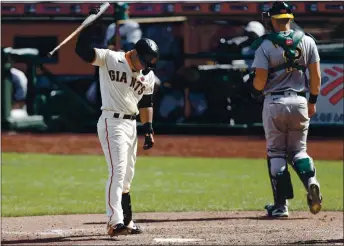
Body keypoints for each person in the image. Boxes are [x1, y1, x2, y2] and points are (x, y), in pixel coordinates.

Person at [75, 6, 159, 236]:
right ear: (135, 53)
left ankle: (128, 221)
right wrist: (88, 24)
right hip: (111, 122)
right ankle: (114, 221)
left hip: (131, 125)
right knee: (117, 171)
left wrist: (148, 129)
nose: (146, 68)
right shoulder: (110, 58)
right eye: (145, 62)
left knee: (127, 175)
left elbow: (146, 103)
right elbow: (82, 52)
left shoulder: (147, 75)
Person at [249, 1, 322, 218]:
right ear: (290, 18)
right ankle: (311, 181)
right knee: (299, 150)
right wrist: (312, 101)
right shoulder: (308, 41)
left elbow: (260, 81)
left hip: (275, 102)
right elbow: (316, 77)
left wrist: (252, 85)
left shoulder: (265, 45)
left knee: (276, 152)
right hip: (300, 101)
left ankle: (281, 207)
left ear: (272, 19)